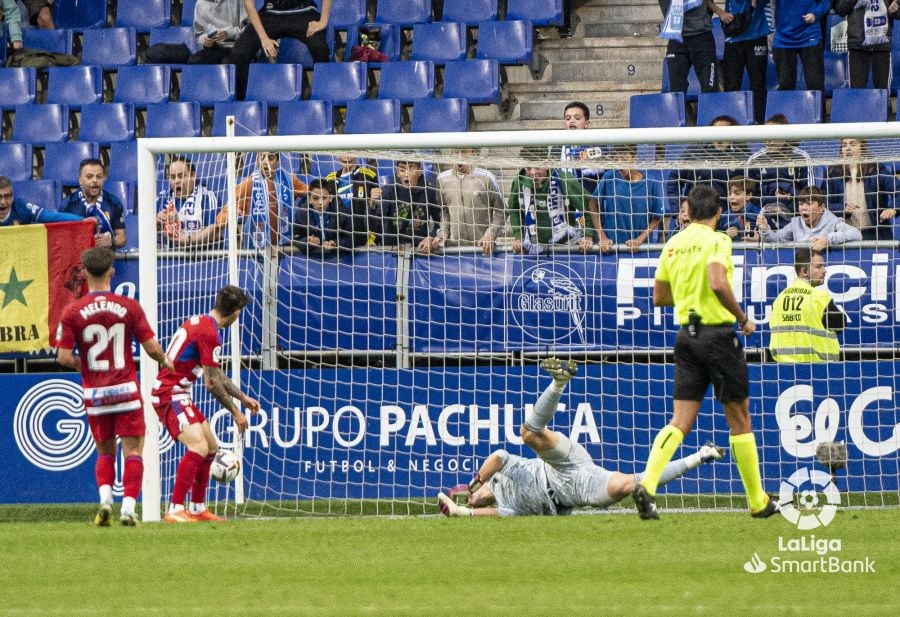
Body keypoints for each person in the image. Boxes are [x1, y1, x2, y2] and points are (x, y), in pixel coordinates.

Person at [633, 184, 776, 520]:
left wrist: (687, 293)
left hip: (686, 337)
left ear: (690, 211)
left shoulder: (673, 244)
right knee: (739, 419)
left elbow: (660, 297)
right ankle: (758, 501)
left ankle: (649, 483)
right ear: (718, 213)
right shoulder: (718, 240)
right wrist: (742, 318)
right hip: (718, 336)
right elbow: (716, 281)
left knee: (680, 421)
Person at [437, 358, 726, 517]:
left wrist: (471, 485)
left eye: (470, 499)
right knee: (631, 483)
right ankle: (702, 455)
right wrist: (461, 510)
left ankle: (559, 382)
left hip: (560, 465)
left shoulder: (500, 475)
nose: (473, 501)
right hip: (573, 491)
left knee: (528, 434)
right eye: (472, 501)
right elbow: (483, 516)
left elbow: (498, 456)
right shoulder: (505, 507)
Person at [56, 247, 173, 526]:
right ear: (112, 271)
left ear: (83, 273)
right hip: (126, 392)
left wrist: (85, 367)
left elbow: (62, 357)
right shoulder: (130, 306)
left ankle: (105, 500)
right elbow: (151, 347)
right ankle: (129, 508)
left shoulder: (72, 311)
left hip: (95, 394)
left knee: (104, 451)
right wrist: (166, 361)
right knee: (133, 450)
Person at [150, 285, 260, 523]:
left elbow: (216, 374)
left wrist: (243, 398)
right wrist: (235, 412)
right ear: (235, 312)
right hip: (169, 394)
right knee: (198, 447)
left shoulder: (201, 322)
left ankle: (198, 508)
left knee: (210, 446)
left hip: (181, 393)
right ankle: (175, 509)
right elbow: (211, 384)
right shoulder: (210, 333)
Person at [196, 151, 308, 249]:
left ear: (278, 161)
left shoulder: (289, 180)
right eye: (262, 157)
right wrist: (233, 213)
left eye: (270, 158)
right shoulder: (249, 184)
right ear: (257, 161)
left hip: (285, 245)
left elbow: (313, 193)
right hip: (258, 247)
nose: (266, 162)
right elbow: (224, 213)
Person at [228, 0, 330, 100]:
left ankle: (322, 99)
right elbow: (248, 3)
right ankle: (240, 103)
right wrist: (264, 38)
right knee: (239, 53)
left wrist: (323, 21)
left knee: (320, 48)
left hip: (304, 12)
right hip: (271, 14)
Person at [507, 148, 594, 255]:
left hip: (566, 246)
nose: (533, 172)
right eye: (529, 168)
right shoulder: (519, 181)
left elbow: (589, 204)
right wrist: (518, 237)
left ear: (546, 164)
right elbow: (513, 209)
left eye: (537, 167)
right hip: (534, 247)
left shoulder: (564, 179)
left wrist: (588, 236)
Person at [769, 248, 845, 362]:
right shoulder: (820, 299)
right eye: (818, 267)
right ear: (804, 271)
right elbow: (841, 324)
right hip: (818, 370)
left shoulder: (779, 299)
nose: (824, 271)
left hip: (782, 370)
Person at [667, 115, 750, 216]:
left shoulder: (743, 156)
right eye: (715, 133)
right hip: (695, 215)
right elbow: (673, 180)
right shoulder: (695, 152)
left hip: (727, 218)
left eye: (724, 133)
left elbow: (751, 188)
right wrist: (678, 211)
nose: (719, 139)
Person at [745, 114, 815, 229]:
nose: (770, 140)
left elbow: (809, 192)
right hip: (763, 215)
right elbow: (750, 195)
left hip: (795, 214)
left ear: (785, 135)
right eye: (766, 135)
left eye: (774, 135)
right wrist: (771, 203)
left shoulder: (801, 157)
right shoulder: (754, 160)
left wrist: (790, 202)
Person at [592, 144, 665, 251]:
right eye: (617, 159)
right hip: (612, 247)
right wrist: (602, 236)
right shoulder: (610, 176)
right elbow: (593, 202)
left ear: (635, 158)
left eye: (624, 159)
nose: (620, 163)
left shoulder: (650, 182)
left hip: (640, 248)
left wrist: (640, 239)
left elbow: (658, 216)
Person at [435, 149, 506, 256]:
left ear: (472, 153)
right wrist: (443, 232)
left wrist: (490, 234)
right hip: (454, 250)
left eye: (464, 152)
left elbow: (502, 211)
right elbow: (444, 211)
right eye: (456, 152)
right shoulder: (442, 179)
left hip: (483, 249)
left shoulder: (486, 177)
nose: (459, 156)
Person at [824, 138, 897, 241]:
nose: (848, 148)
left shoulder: (876, 169)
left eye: (853, 144)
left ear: (862, 148)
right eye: (844, 145)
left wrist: (894, 208)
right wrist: (842, 208)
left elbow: (897, 189)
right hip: (845, 234)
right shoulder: (832, 172)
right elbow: (823, 203)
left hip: (875, 232)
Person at [717, 0, 772, 124]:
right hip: (734, 36)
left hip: (757, 35)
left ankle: (759, 122)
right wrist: (720, 12)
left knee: (758, 83)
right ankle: (731, 124)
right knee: (731, 84)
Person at [757, 185, 863, 250]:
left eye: (809, 204)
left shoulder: (833, 222)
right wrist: (765, 229)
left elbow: (856, 234)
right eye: (801, 204)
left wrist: (828, 240)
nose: (804, 208)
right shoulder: (796, 223)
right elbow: (776, 239)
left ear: (821, 207)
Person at [375, 160, 444, 254]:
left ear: (419, 171)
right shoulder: (388, 191)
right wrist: (372, 205)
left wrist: (431, 237)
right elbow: (376, 223)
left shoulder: (429, 192)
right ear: (397, 172)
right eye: (402, 170)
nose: (407, 174)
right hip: (391, 250)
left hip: (419, 249)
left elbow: (440, 222)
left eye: (411, 169)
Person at [59, 159, 127, 250]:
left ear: (103, 179)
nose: (95, 180)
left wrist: (112, 241)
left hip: (104, 260)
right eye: (89, 177)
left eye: (99, 177)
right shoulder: (67, 205)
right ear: (80, 180)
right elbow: (59, 237)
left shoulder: (114, 202)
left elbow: (122, 237)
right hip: (78, 260)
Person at [832, 0, 900, 89]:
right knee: (857, 92)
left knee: (883, 92)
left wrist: (895, 10)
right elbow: (840, 9)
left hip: (882, 45)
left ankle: (884, 102)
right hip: (857, 44)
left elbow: (897, 10)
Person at [155, 157, 220, 248]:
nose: (177, 181)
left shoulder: (208, 197)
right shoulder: (161, 199)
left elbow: (215, 232)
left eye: (181, 176)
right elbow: (146, 231)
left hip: (201, 259)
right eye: (173, 177)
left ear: (193, 176)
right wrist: (156, 222)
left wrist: (187, 240)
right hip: (168, 260)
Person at [659, 0, 721, 94]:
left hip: (702, 36)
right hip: (677, 37)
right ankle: (683, 108)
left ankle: (710, 108)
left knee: (709, 86)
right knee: (676, 88)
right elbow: (667, 10)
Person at [771, 0, 831, 92]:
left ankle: (819, 106)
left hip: (810, 36)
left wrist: (815, 14)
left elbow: (827, 1)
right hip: (783, 38)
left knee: (815, 85)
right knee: (785, 85)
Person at [325, 155, 379, 249]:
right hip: (337, 231)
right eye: (343, 153)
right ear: (337, 155)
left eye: (349, 153)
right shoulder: (330, 179)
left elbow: (375, 208)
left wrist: (374, 202)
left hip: (360, 233)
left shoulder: (369, 176)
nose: (346, 157)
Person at [292, 177, 353, 255]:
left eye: (324, 198)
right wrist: (308, 241)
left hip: (338, 259)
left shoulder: (342, 212)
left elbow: (352, 238)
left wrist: (335, 243)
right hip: (312, 260)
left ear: (330, 198)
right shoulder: (302, 214)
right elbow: (296, 238)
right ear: (309, 199)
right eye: (315, 198)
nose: (320, 202)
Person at [0, 175, 81, 226]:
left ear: (12, 196)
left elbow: (51, 216)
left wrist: (82, 220)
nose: (3, 202)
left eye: (7, 196)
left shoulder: (22, 207)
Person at [718, 175, 761, 242]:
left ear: (748, 195)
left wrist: (759, 240)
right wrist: (726, 235)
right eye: (729, 194)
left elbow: (769, 235)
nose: (731, 197)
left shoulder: (758, 214)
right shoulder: (724, 216)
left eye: (737, 193)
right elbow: (717, 236)